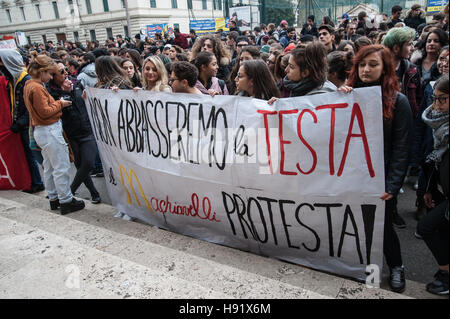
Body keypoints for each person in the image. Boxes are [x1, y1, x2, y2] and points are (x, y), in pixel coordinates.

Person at [345, 45, 413, 293]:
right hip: (351, 175)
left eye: (373, 64)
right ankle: (369, 269)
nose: (366, 69)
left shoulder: (398, 101)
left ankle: (396, 267)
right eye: (362, 64)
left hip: (381, 179)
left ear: (385, 67)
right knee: (358, 225)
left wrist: (393, 185)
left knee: (381, 228)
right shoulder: (346, 96)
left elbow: (402, 147)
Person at [23, 55, 85, 214]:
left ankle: (54, 197)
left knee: (50, 167)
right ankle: (65, 200)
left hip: (43, 130)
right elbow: (44, 112)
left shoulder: (30, 85)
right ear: (42, 71)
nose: (51, 77)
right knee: (61, 167)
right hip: (49, 129)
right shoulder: (36, 87)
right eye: (49, 74)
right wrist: (60, 104)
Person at [47, 60, 101, 204]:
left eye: (66, 69)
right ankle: (94, 193)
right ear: (53, 76)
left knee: (88, 163)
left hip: (86, 130)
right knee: (79, 164)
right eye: (61, 72)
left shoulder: (76, 83)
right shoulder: (50, 91)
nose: (66, 74)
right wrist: (64, 95)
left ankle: (69, 192)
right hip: (69, 134)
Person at [416, 74, 449, 296]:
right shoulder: (440, 126)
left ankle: (446, 273)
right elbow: (435, 158)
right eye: (435, 98)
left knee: (425, 226)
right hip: (443, 190)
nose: (437, 105)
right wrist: (428, 189)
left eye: (443, 99)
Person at [412, 46, 449, 222]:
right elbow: (420, 122)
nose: (444, 63)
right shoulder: (431, 87)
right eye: (442, 59)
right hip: (431, 147)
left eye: (442, 100)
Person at [0, 49, 44, 193]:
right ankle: (33, 181)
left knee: (33, 156)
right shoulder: (14, 81)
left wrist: (19, 123)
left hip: (28, 126)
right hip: (22, 125)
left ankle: (37, 182)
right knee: (28, 155)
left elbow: (28, 107)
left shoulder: (26, 81)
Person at [270, 41, 336, 100]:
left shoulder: (327, 95)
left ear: (305, 73)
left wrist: (342, 95)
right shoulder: (290, 85)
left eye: (291, 67)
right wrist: (279, 105)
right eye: (288, 65)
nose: (286, 70)